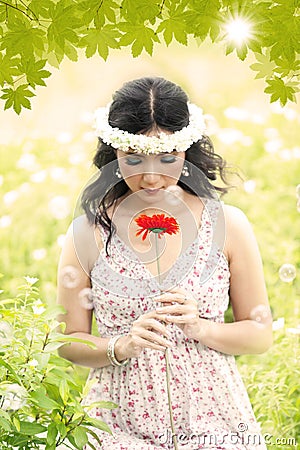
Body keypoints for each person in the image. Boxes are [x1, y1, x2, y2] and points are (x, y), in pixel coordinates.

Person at [57, 77, 273, 450]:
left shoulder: (227, 224)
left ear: (187, 151)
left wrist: (201, 328)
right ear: (115, 153)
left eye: (168, 158)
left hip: (213, 421)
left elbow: (260, 335)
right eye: (134, 160)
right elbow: (68, 340)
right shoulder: (88, 233)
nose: (152, 176)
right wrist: (120, 346)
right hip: (115, 423)